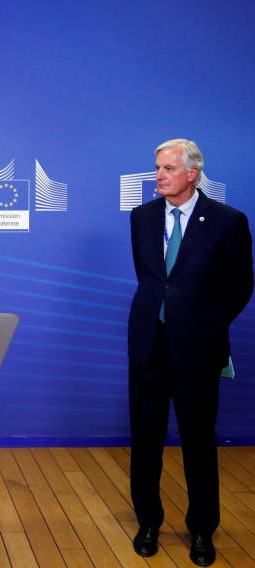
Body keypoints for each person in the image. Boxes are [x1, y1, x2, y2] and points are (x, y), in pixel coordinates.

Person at [128, 139, 253, 566]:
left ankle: (202, 530)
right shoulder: (141, 218)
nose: (158, 175)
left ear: (191, 173)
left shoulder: (227, 221)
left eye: (167, 168)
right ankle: (148, 522)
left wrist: (206, 324)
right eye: (156, 167)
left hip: (198, 349)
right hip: (147, 344)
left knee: (198, 442)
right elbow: (151, 279)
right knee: (146, 440)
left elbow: (241, 285)